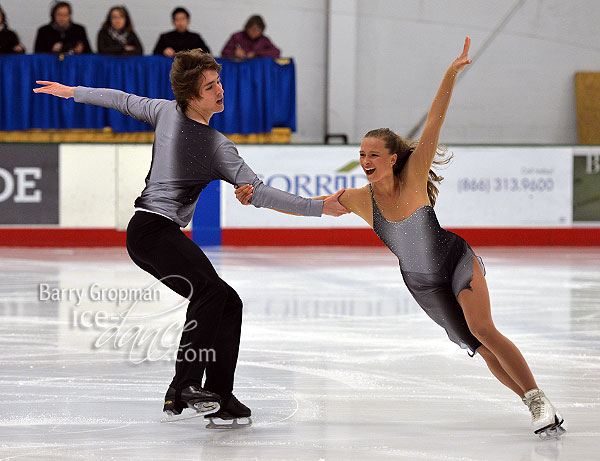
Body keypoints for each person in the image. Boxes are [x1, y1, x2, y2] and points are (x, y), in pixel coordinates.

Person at [234, 38, 565, 437]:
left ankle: (537, 400)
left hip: (454, 260)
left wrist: (450, 73)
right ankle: (533, 402)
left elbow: (435, 122)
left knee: (483, 329)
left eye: (373, 154)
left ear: (392, 158)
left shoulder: (415, 175)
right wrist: (257, 198)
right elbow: (308, 205)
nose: (365, 161)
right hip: (424, 285)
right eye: (361, 155)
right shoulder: (358, 199)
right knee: (477, 347)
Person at [33, 49, 347, 423]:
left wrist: (73, 92)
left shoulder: (195, 130)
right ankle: (182, 387)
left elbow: (257, 191)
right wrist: (320, 207)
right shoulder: (193, 129)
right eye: (210, 86)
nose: (220, 90)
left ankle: (219, 396)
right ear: (191, 96)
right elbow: (121, 100)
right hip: (153, 228)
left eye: (219, 82)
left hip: (146, 235)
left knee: (227, 302)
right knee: (212, 293)